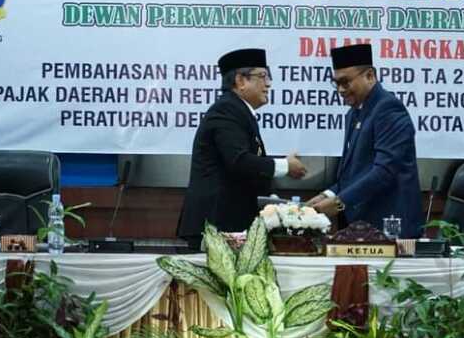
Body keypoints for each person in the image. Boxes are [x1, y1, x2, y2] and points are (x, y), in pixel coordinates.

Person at [177, 48, 307, 247]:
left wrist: (273, 201)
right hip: (216, 225)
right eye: (262, 76)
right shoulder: (226, 110)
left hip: (229, 224)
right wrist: (285, 166)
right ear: (240, 81)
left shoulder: (239, 111)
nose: (268, 84)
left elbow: (247, 165)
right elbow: (238, 161)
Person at [306, 43, 424, 238]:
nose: (340, 90)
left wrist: (338, 202)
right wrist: (326, 195)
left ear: (369, 76)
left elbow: (385, 171)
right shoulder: (353, 114)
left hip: (389, 225)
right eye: (336, 83)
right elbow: (353, 173)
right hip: (360, 227)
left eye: (345, 82)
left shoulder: (388, 109)